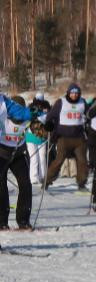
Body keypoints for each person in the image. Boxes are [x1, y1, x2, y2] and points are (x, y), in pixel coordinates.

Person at [44, 83, 89, 192]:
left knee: (82, 160)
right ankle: (47, 181)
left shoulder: (82, 102)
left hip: (79, 138)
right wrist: (49, 124)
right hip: (63, 138)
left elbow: (89, 115)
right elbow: (51, 116)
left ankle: (81, 183)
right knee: (59, 160)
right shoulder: (61, 102)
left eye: (76, 93)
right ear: (68, 93)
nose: (74, 95)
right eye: (72, 93)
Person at [0, 95, 35, 230]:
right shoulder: (3, 117)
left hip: (18, 154)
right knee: (1, 187)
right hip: (2, 154)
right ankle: (2, 221)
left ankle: (23, 220)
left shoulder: (26, 119)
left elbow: (41, 129)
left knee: (26, 184)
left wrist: (48, 127)